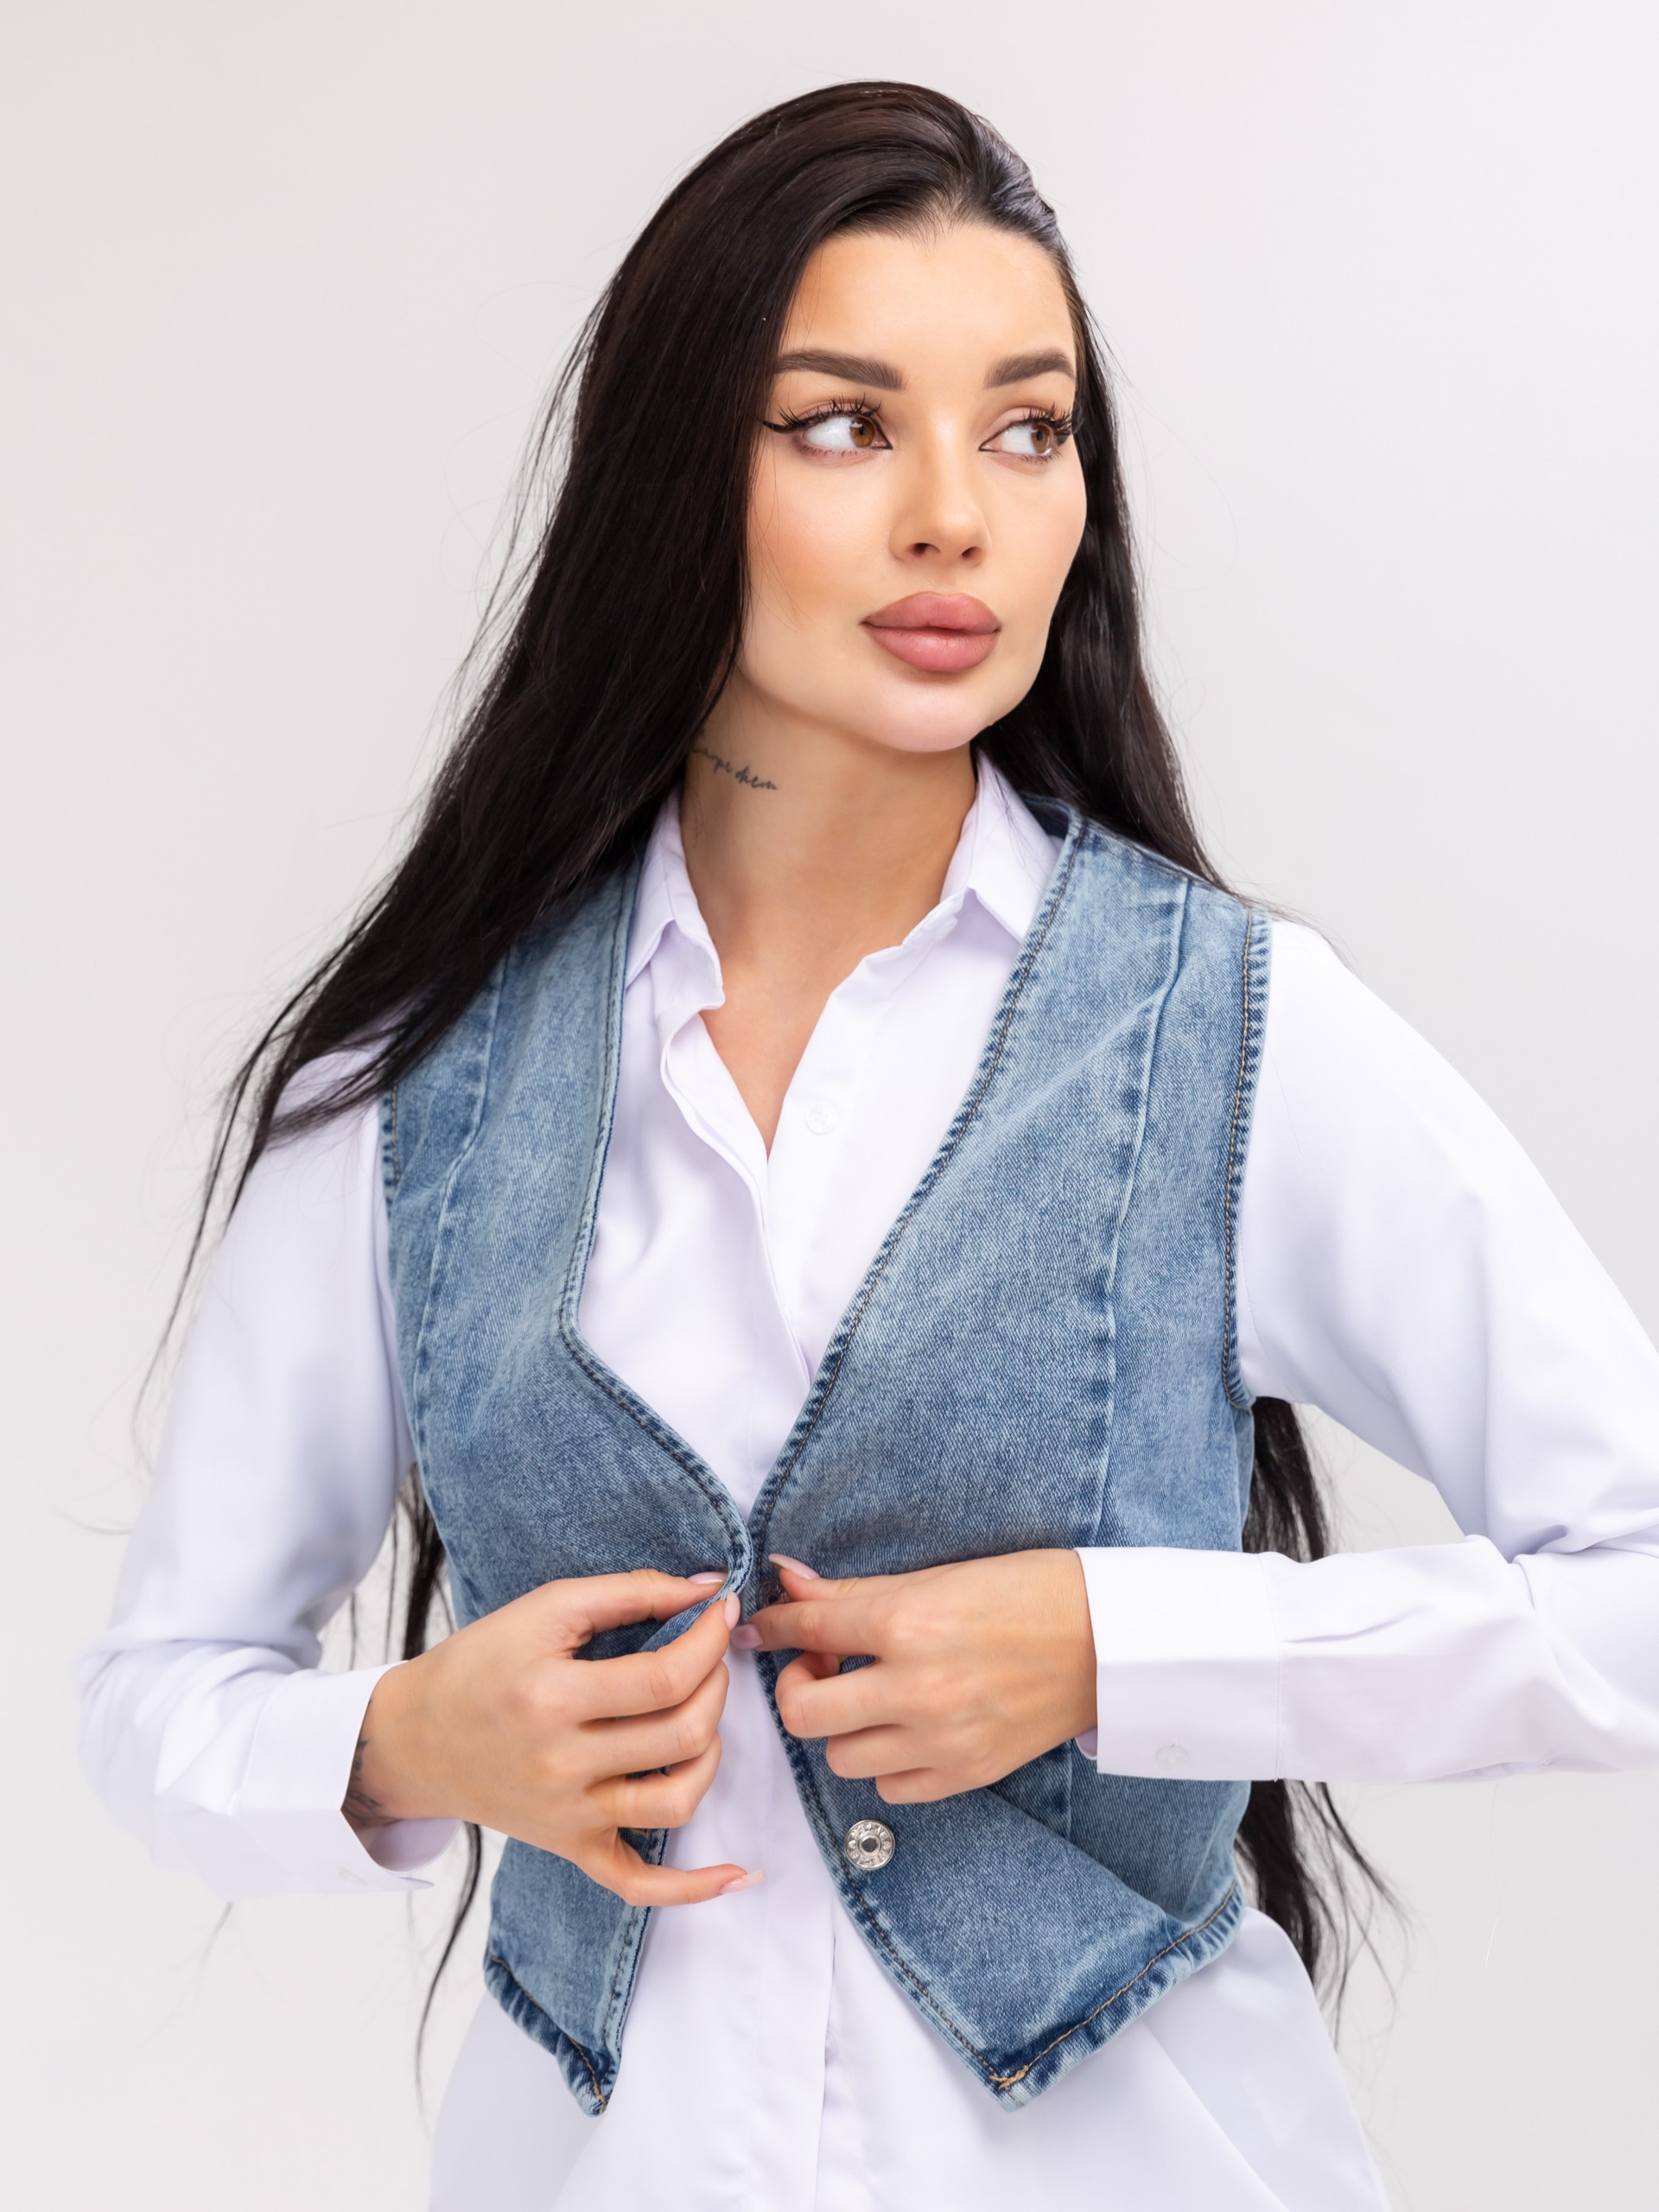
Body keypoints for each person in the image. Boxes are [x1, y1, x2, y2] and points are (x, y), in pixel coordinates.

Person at [79, 81, 1659, 2212]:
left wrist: (1116, 1645)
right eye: (842, 425)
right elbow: (162, 1695)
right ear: (674, 476)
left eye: (1029, 428)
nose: (955, 516)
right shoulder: (419, 1083)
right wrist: (404, 1743)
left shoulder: (1229, 1032)